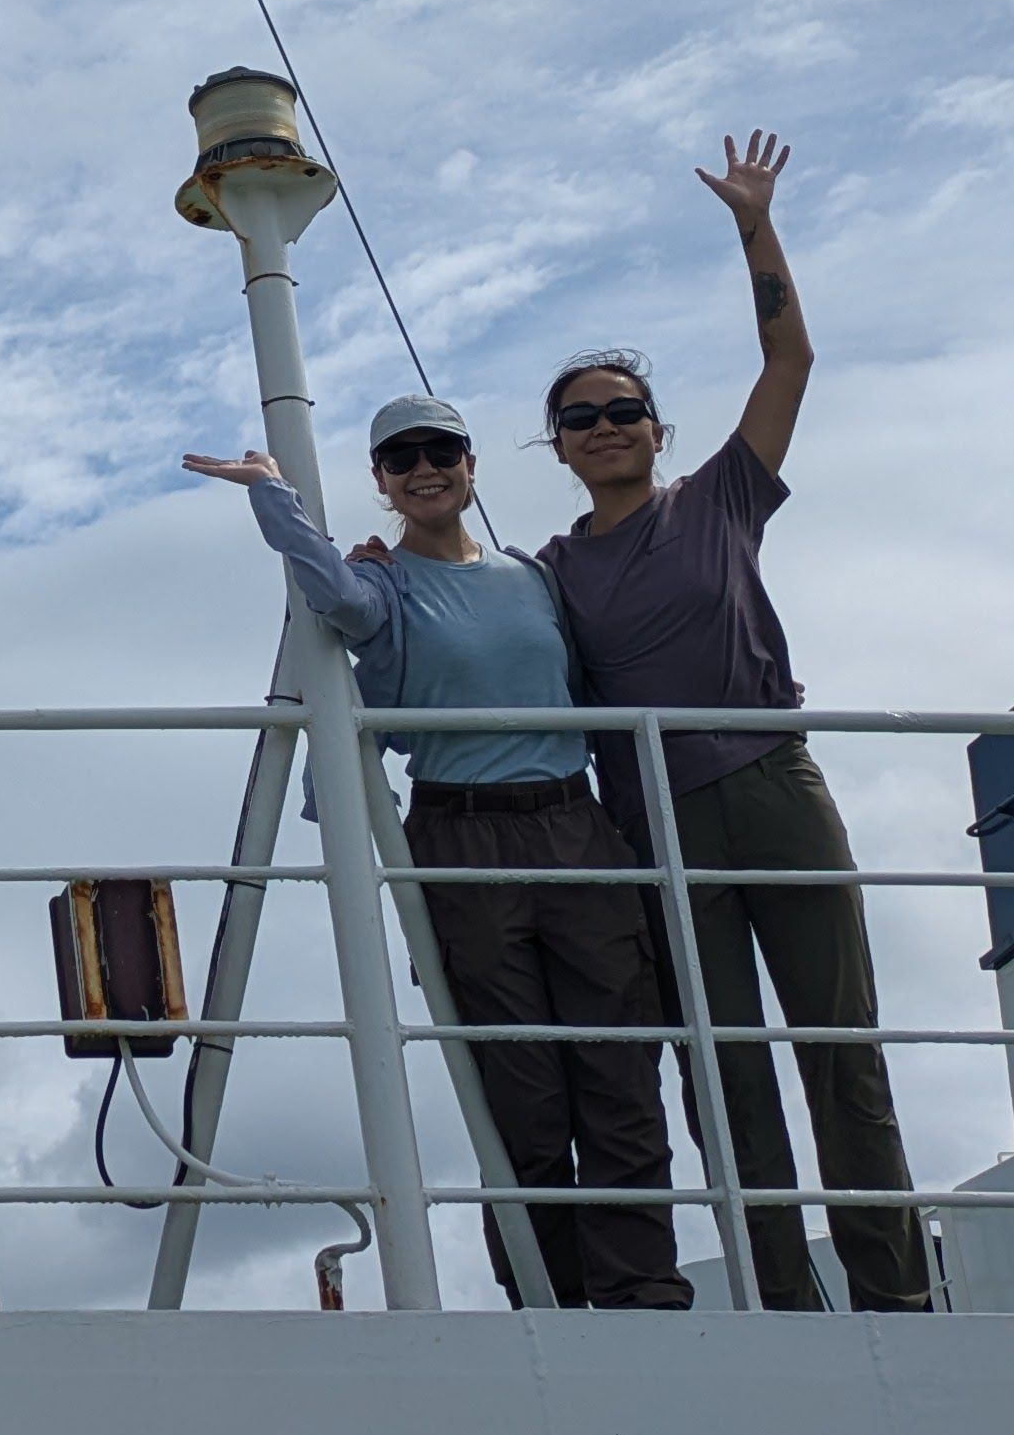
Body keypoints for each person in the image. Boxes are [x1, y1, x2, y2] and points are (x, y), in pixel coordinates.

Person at [536, 131, 926, 1314]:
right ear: (555, 447)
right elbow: (451, 601)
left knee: (839, 1050)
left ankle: (896, 1291)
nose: (605, 426)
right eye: (581, 418)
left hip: (771, 783)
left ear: (659, 428)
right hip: (653, 824)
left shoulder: (721, 501)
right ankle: (783, 1306)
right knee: (725, 1076)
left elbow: (789, 357)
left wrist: (753, 224)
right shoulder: (545, 571)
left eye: (624, 410)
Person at [186, 405, 691, 1312]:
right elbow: (330, 599)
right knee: (522, 1090)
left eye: (441, 451)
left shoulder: (535, 577)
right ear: (379, 480)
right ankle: (550, 1300)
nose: (425, 468)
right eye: (400, 457)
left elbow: (610, 658)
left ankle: (642, 1294)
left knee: (619, 1071)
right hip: (463, 839)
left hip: (575, 829)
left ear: (470, 465)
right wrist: (274, 498)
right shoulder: (382, 588)